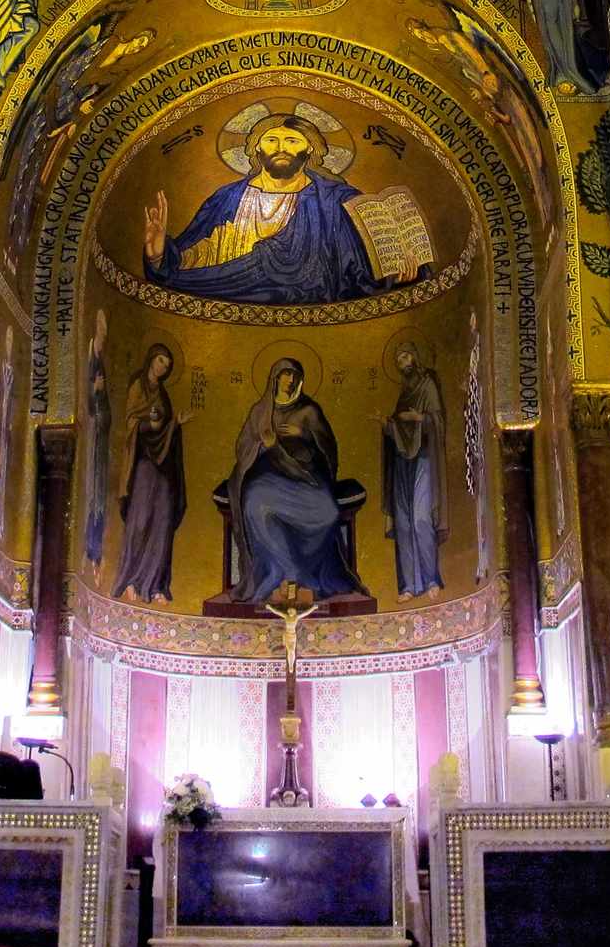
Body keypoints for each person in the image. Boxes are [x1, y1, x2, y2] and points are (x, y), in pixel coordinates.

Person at [143, 115, 378, 305]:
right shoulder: (226, 198)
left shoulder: (334, 200)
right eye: (271, 140)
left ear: (310, 149)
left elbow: (359, 267)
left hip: (316, 309)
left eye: (293, 141)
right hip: (229, 303)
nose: (281, 148)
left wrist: (390, 275)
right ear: (257, 147)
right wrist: (158, 256)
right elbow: (202, 254)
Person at [228, 360, 364, 605]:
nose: (290, 380)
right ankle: (284, 573)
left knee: (329, 513)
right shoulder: (261, 411)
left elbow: (328, 447)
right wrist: (265, 446)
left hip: (305, 477)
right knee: (255, 504)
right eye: (285, 374)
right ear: (275, 377)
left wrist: (303, 434)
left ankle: (307, 570)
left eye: (295, 375)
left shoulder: (309, 410)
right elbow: (243, 448)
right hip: (268, 476)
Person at [110, 344, 189, 604]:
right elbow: (130, 423)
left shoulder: (163, 395)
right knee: (141, 520)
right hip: (143, 463)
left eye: (167, 364)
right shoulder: (138, 385)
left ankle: (156, 584)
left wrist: (175, 423)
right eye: (160, 360)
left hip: (163, 468)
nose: (163, 367)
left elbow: (165, 428)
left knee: (163, 521)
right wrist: (150, 424)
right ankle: (132, 579)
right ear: (151, 359)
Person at [374, 342, 445, 598]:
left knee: (420, 519)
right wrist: (385, 422)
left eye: (405, 357)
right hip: (402, 462)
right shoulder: (404, 395)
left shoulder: (428, 383)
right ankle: (408, 586)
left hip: (424, 457)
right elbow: (398, 429)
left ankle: (431, 579)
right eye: (398, 360)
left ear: (414, 357)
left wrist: (420, 418)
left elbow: (439, 419)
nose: (402, 363)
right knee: (403, 523)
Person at [82, 310, 113, 566]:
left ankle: (96, 548)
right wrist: (94, 390)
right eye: (100, 325)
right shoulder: (90, 359)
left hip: (101, 440)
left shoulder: (100, 361)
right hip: (91, 439)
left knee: (100, 494)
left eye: (105, 327)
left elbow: (107, 408)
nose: (103, 330)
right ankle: (87, 545)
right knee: (91, 492)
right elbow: (85, 399)